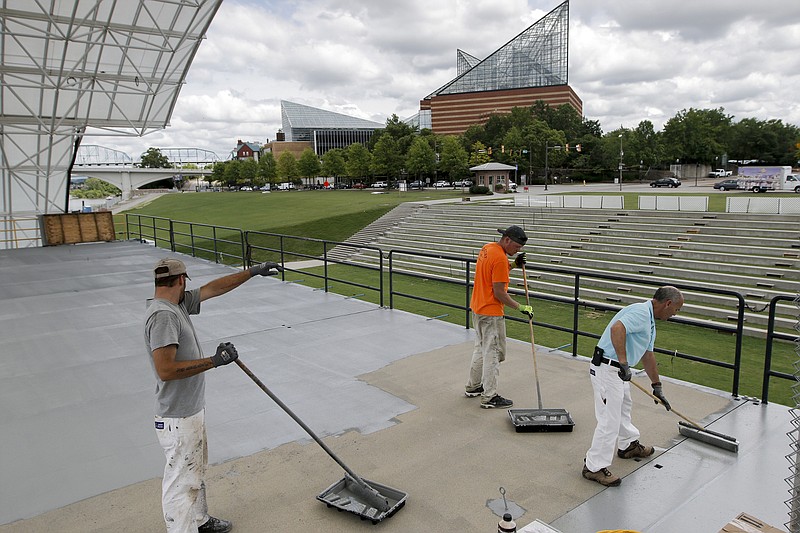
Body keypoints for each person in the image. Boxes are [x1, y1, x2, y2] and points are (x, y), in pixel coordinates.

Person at [144, 257, 282, 532]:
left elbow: (214, 289)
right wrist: (214, 361)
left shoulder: (177, 304)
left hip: (190, 411)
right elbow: (166, 370)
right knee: (181, 483)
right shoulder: (163, 316)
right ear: (181, 280)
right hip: (177, 417)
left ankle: (200, 521)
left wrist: (252, 272)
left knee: (194, 473)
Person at [582, 286, 684, 486]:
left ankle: (628, 445)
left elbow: (647, 354)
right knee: (609, 420)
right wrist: (623, 362)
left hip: (617, 371)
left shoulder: (650, 319)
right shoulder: (640, 313)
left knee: (623, 409)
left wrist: (657, 386)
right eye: (677, 309)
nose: (675, 313)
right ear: (668, 304)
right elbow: (616, 328)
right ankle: (593, 468)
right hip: (608, 370)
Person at [465, 225, 534, 409]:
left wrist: (513, 265)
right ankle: (489, 396)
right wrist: (521, 307)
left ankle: (473, 387)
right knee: (493, 354)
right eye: (517, 247)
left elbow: (492, 274)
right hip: (491, 313)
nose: (517, 250)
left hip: (478, 308)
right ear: (507, 240)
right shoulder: (500, 258)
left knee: (480, 348)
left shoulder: (487, 249)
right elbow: (499, 292)